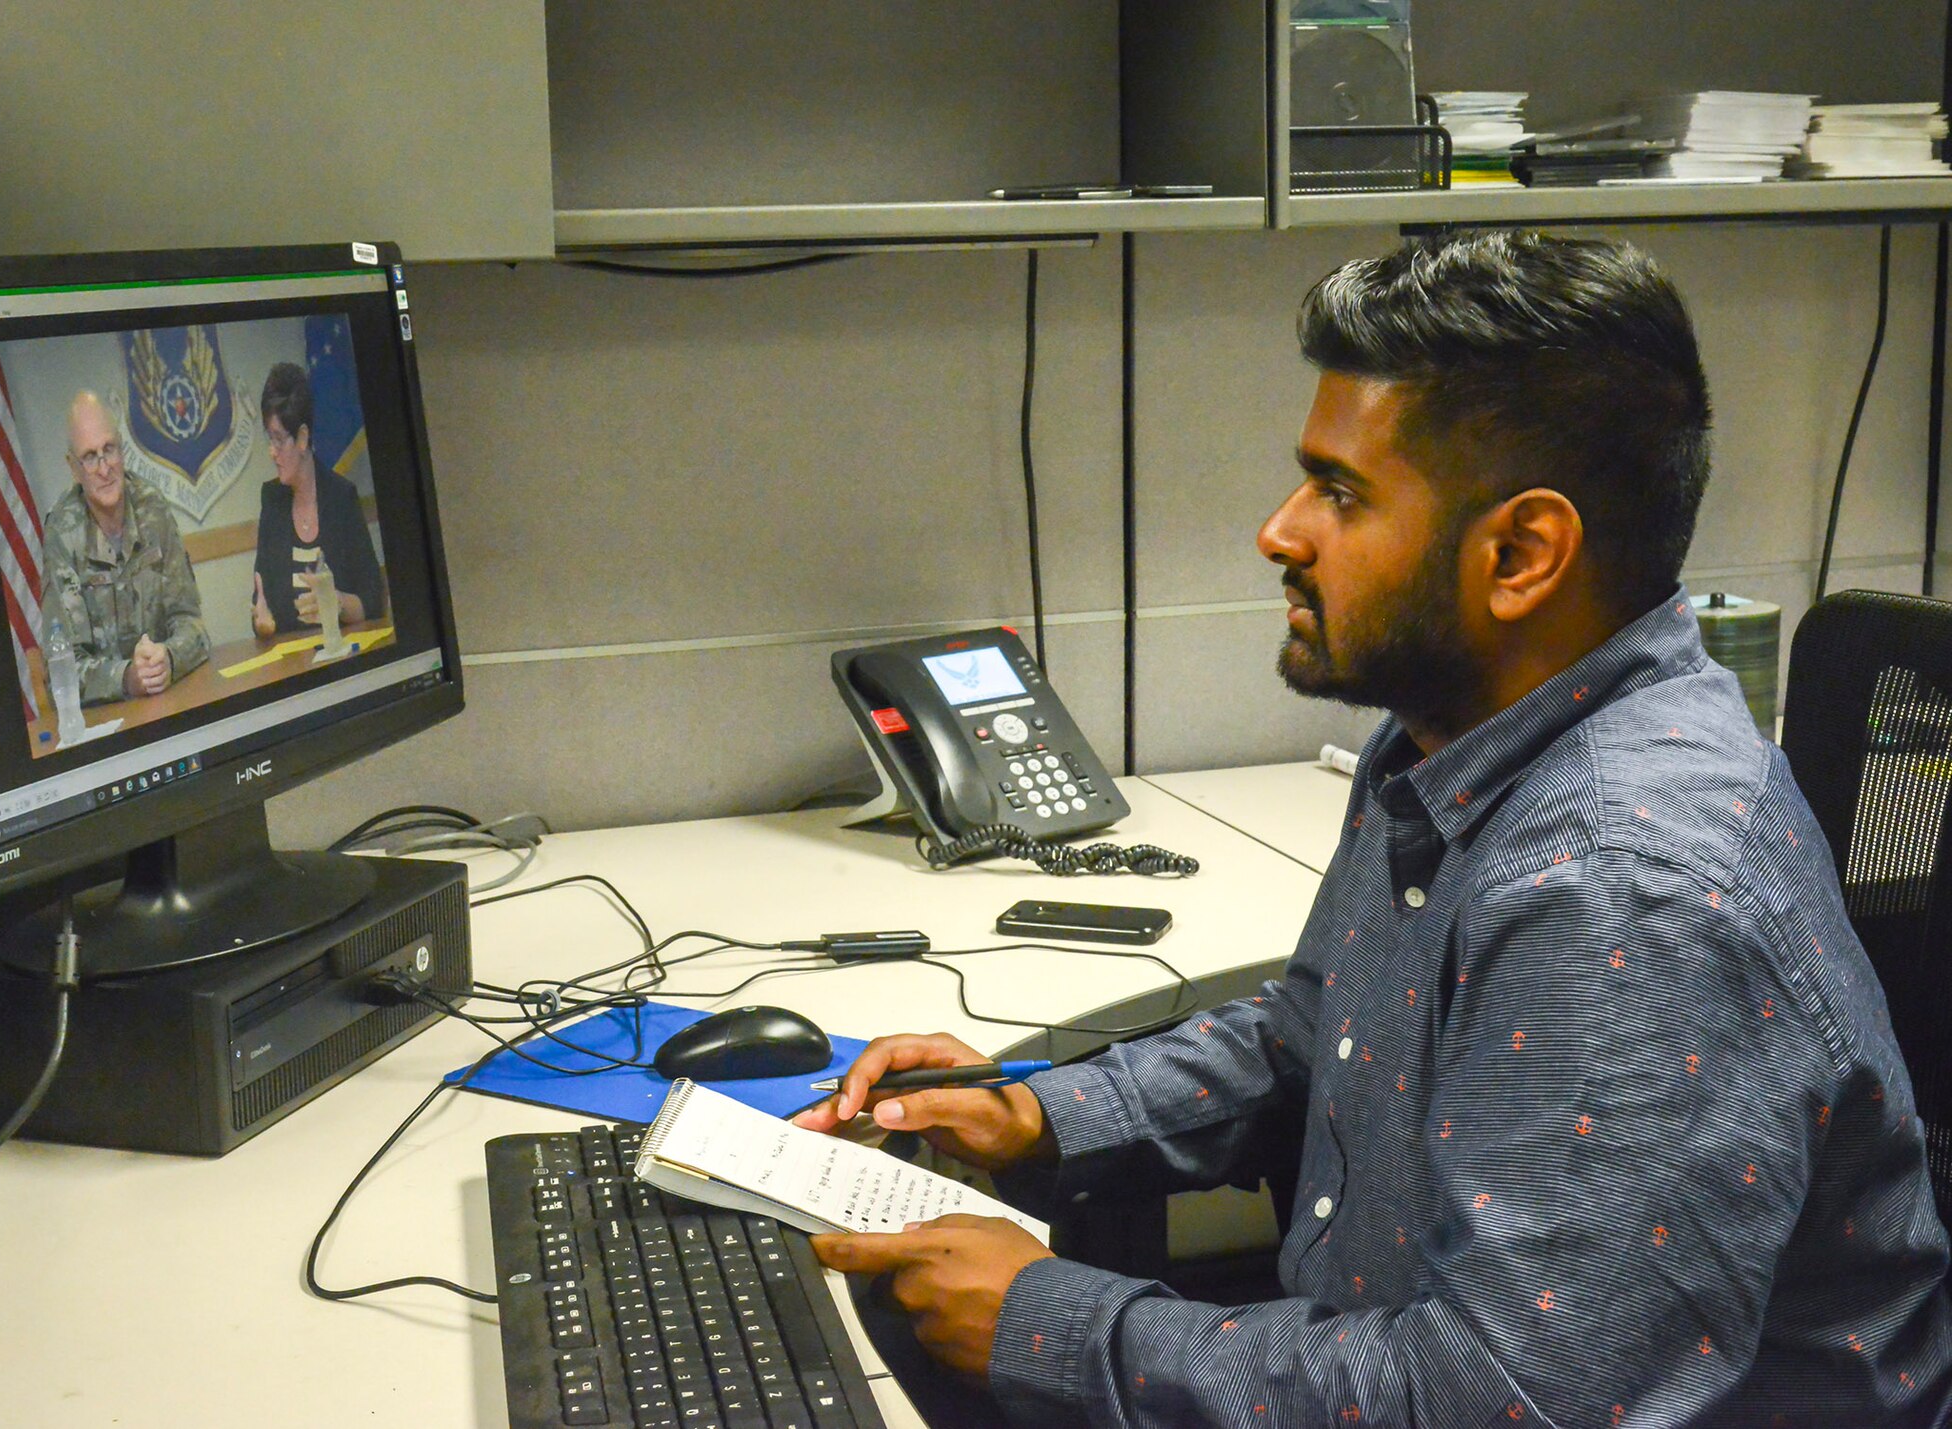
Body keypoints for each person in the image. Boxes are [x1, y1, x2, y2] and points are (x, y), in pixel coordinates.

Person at [796, 231, 1952, 1426]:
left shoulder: (1621, 884)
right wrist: (1039, 1113)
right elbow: (1318, 1043)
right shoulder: (1453, 739)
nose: (1279, 531)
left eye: (1339, 492)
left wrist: (1054, 1321)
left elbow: (1505, 1401)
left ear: (1517, 554)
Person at [37, 391, 209, 704]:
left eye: (109, 450)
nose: (104, 468)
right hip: (108, 721)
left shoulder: (153, 508)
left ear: (122, 447)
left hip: (168, 701)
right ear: (73, 468)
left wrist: (168, 658)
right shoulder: (62, 533)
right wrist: (126, 677)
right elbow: (59, 670)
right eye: (90, 457)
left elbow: (193, 625)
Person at [250, 361, 386, 640]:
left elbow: (374, 600)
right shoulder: (272, 501)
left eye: (278, 440)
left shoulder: (341, 497)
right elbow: (261, 601)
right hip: (291, 667)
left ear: (302, 437)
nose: (271, 452)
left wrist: (337, 603)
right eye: (269, 439)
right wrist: (262, 624)